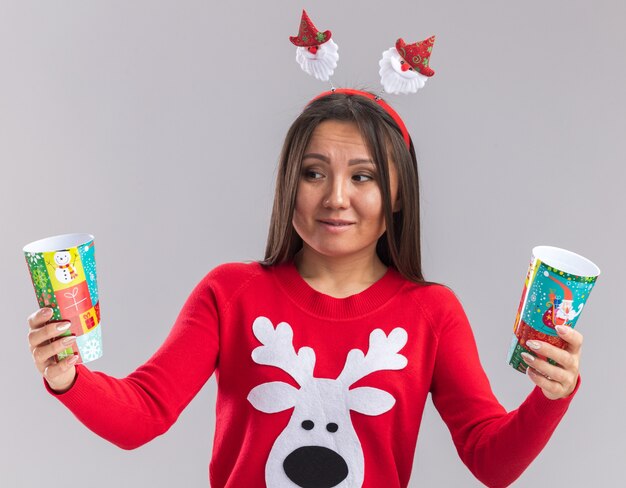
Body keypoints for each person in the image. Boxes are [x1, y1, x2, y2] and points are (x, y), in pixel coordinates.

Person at [27, 90, 582, 488]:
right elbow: (144, 413)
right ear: (288, 183)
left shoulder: (432, 312)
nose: (336, 197)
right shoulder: (230, 294)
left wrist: (549, 397)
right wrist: (69, 377)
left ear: (396, 194)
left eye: (362, 176)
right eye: (315, 173)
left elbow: (492, 462)